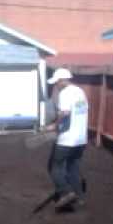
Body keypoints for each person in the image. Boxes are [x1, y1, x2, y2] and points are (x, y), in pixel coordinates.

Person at [46, 68, 88, 209]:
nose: (56, 85)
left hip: (67, 139)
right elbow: (79, 113)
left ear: (61, 80)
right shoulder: (80, 92)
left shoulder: (65, 93)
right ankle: (79, 197)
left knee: (54, 167)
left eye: (56, 82)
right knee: (73, 168)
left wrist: (54, 126)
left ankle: (66, 192)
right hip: (81, 139)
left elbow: (64, 112)